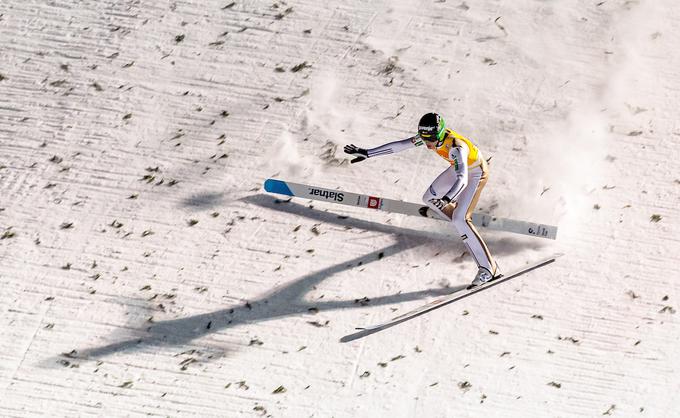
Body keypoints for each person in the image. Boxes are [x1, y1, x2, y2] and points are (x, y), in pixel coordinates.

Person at [344, 112, 499, 287]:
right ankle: (460, 217)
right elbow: (401, 146)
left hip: (476, 173)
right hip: (458, 169)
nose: (427, 145)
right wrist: (368, 153)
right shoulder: (430, 137)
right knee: (429, 197)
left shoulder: (456, 148)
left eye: (429, 142)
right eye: (424, 140)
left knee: (459, 219)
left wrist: (448, 198)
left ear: (438, 136)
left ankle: (489, 269)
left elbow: (462, 179)